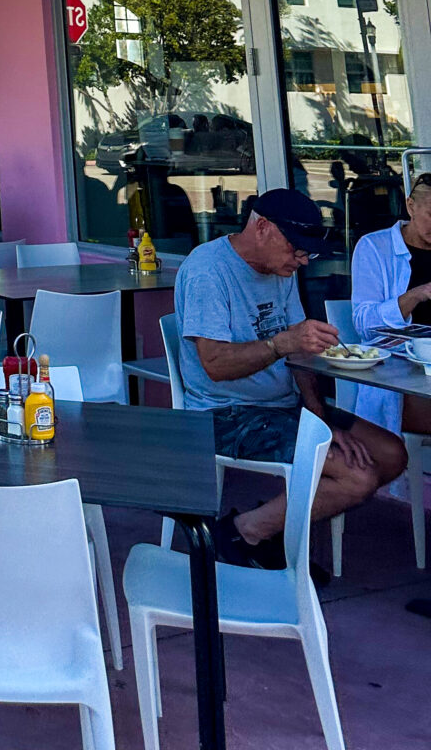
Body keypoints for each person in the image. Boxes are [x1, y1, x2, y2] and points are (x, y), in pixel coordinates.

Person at [174, 187, 406, 568]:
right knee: (357, 477)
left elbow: (299, 352)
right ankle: (243, 531)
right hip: (226, 413)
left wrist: (319, 419)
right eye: (296, 249)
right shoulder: (207, 271)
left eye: (308, 253)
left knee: (391, 454)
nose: (301, 261)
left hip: (283, 408)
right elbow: (215, 365)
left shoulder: (279, 268)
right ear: (262, 228)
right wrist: (280, 343)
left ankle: (269, 529)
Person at [350, 169, 431, 449]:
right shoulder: (375, 247)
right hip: (400, 373)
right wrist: (417, 295)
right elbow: (364, 323)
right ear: (410, 206)